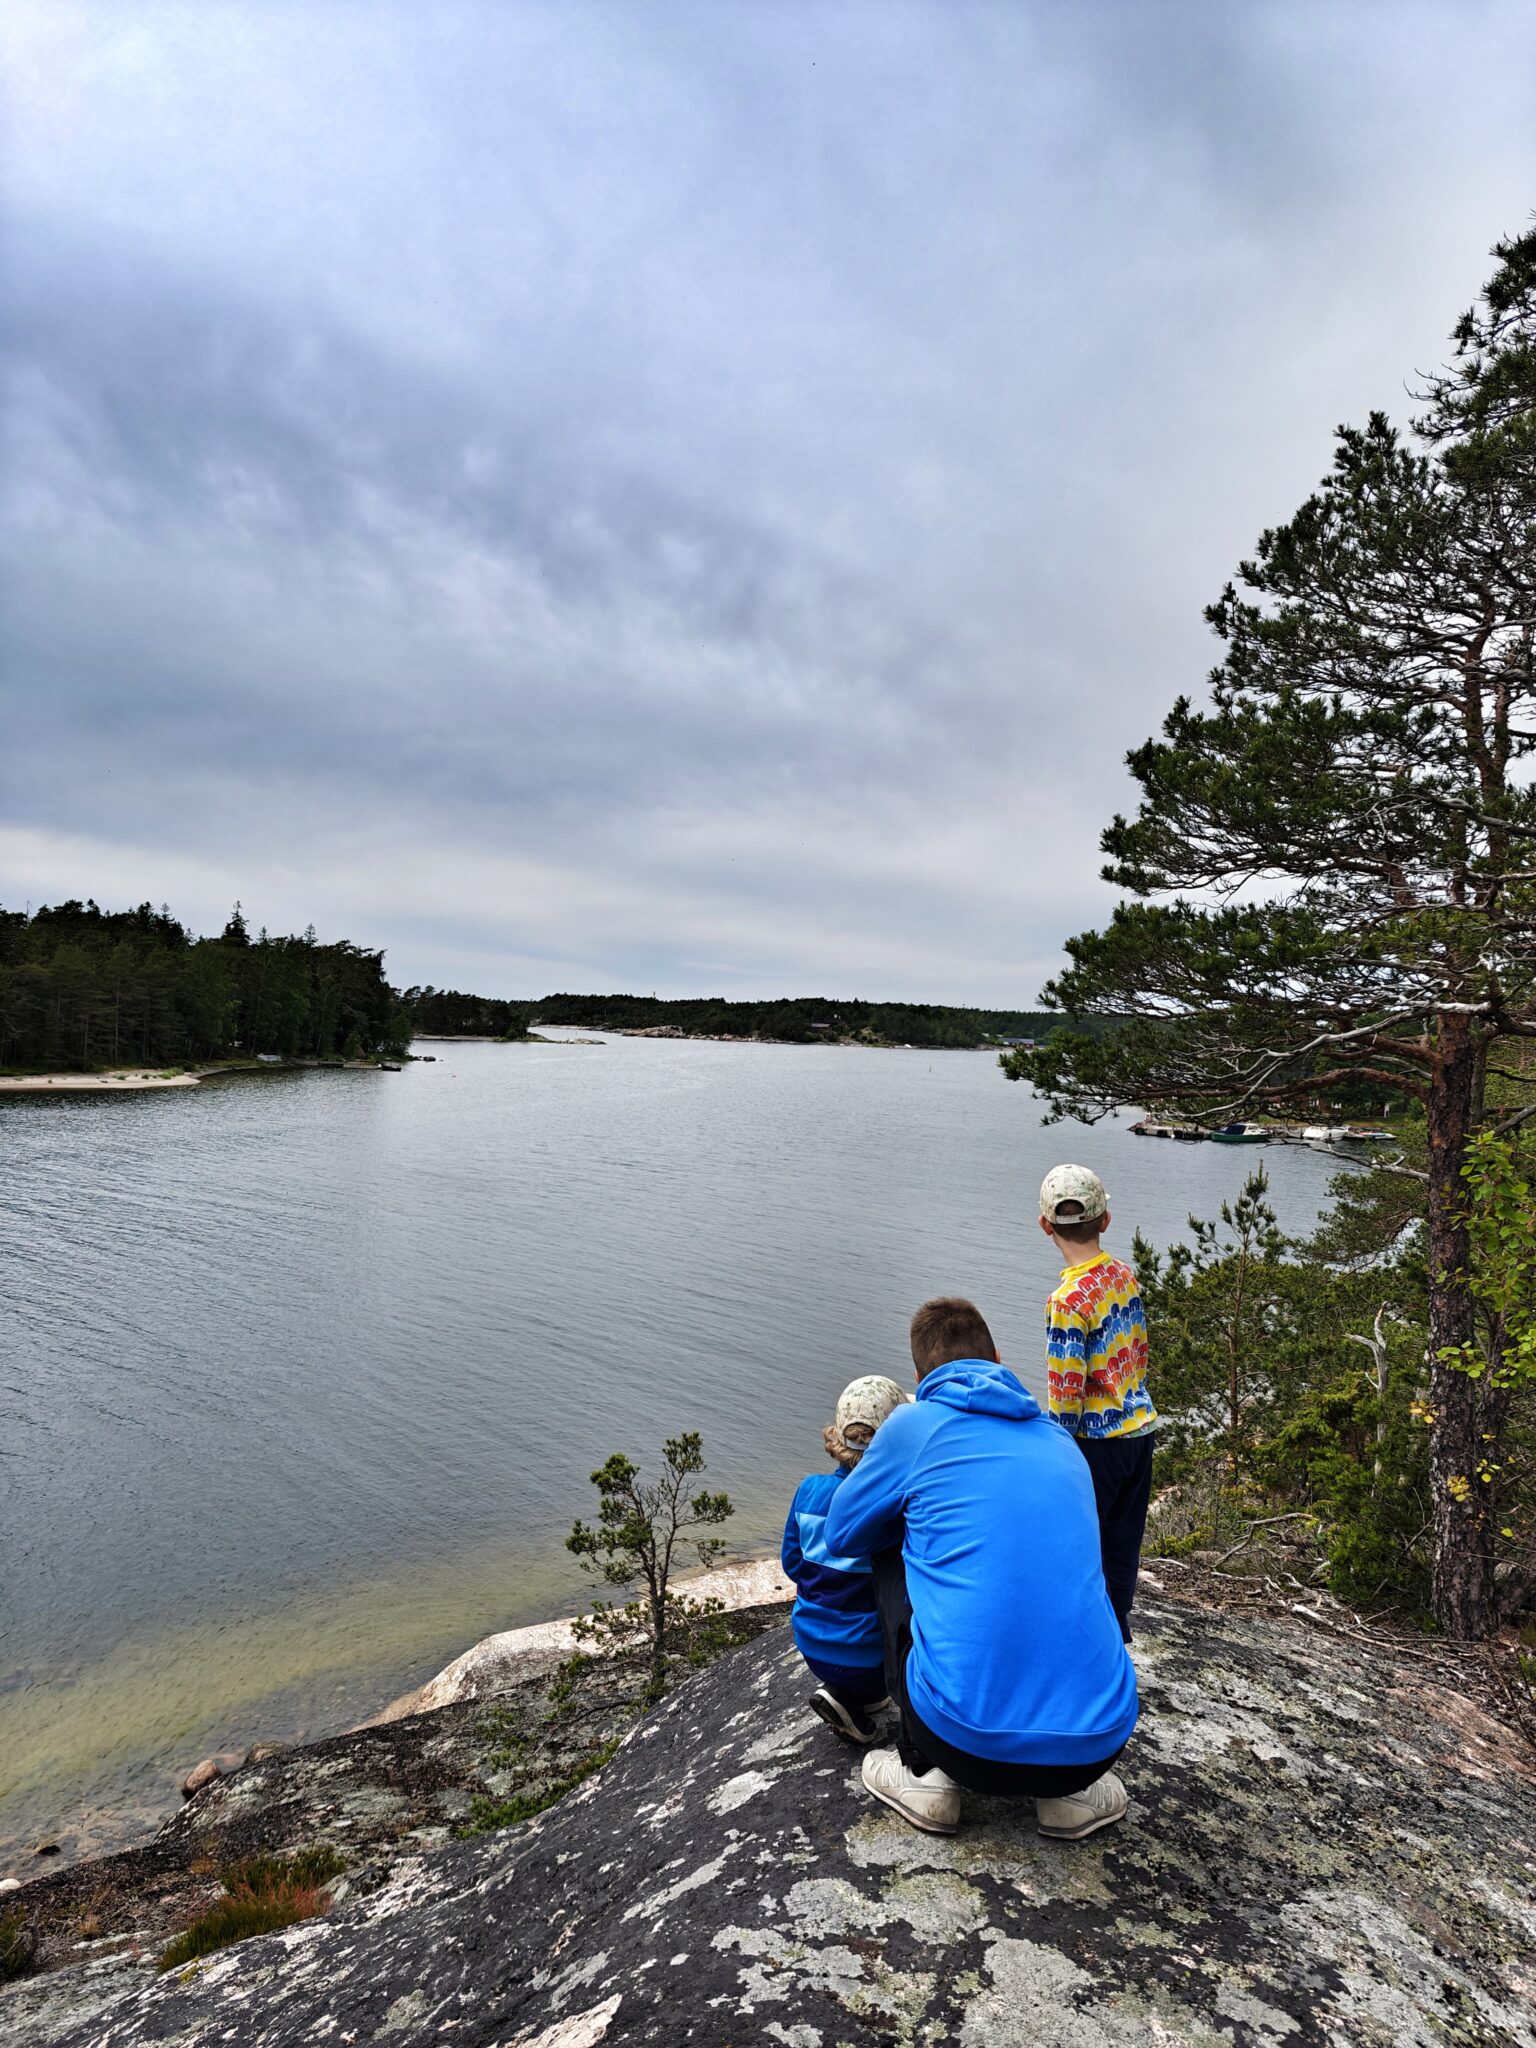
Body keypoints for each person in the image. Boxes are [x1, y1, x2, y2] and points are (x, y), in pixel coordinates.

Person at [825, 1296, 1138, 1839]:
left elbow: (842, 1534)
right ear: (996, 1356)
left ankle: (924, 1773)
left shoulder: (914, 1424)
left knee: (888, 1541)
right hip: (1097, 1746)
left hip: (962, 1742)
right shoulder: (1061, 1442)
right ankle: (1069, 1798)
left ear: (920, 1379)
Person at [1038, 1164, 1158, 1642]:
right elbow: (1139, 1349)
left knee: (1081, 1543)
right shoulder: (1123, 1275)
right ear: (1105, 1220)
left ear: (1045, 1225)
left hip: (1095, 1442)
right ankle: (1117, 1624)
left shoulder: (1066, 1300)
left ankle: (1082, 1638)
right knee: (1123, 1540)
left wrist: (1054, 1445)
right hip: (1138, 1428)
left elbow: (1066, 1390)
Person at [780, 1375, 910, 1743]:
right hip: (870, 1659)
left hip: (810, 1644)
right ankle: (854, 1697)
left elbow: (792, 1563)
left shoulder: (808, 1491)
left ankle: (846, 1694)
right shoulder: (891, 1508)